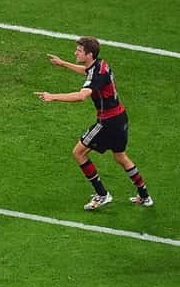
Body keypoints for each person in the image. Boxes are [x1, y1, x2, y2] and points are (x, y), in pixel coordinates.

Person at [35, 37, 152, 211]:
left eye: (79, 51)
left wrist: (53, 96)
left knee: (78, 153)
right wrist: (63, 64)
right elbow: (87, 72)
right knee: (120, 157)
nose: (75, 53)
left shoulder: (97, 74)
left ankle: (102, 195)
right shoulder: (100, 64)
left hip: (107, 122)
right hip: (120, 118)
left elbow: (81, 96)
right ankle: (145, 196)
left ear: (89, 54)